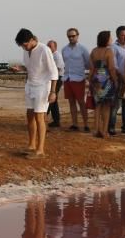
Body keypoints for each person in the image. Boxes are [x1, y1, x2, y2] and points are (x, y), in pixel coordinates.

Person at [14, 28, 58, 158]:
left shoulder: (44, 49)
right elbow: (28, 67)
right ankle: (32, 145)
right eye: (22, 45)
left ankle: (40, 150)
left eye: (25, 44)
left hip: (42, 87)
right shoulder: (26, 51)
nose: (24, 47)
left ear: (32, 39)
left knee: (40, 118)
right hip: (30, 85)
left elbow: (53, 72)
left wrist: (53, 92)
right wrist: (20, 68)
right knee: (29, 116)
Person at [88, 30, 119, 139]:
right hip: (106, 80)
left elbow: (91, 68)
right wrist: (115, 80)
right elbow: (111, 68)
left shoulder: (94, 51)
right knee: (106, 107)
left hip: (96, 81)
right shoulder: (108, 51)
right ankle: (104, 131)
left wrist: (90, 81)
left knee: (97, 106)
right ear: (106, 39)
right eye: (110, 38)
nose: (111, 39)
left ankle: (96, 130)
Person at [60, 28, 90, 132]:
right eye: (69, 36)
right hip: (67, 78)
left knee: (81, 102)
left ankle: (86, 124)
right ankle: (75, 124)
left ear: (77, 36)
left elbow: (88, 63)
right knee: (71, 102)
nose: (71, 38)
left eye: (73, 36)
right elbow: (65, 62)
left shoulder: (83, 49)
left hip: (79, 78)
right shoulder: (64, 49)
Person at [110, 26, 125, 135]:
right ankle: (111, 127)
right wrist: (122, 77)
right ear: (118, 36)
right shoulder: (113, 47)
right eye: (123, 35)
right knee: (115, 105)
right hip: (118, 80)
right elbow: (114, 65)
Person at [47, 40, 64, 128]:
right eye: (48, 46)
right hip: (53, 78)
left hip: (57, 79)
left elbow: (57, 69)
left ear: (55, 47)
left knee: (50, 98)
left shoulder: (57, 55)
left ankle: (43, 118)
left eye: (50, 46)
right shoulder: (50, 55)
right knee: (54, 100)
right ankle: (56, 120)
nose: (48, 47)